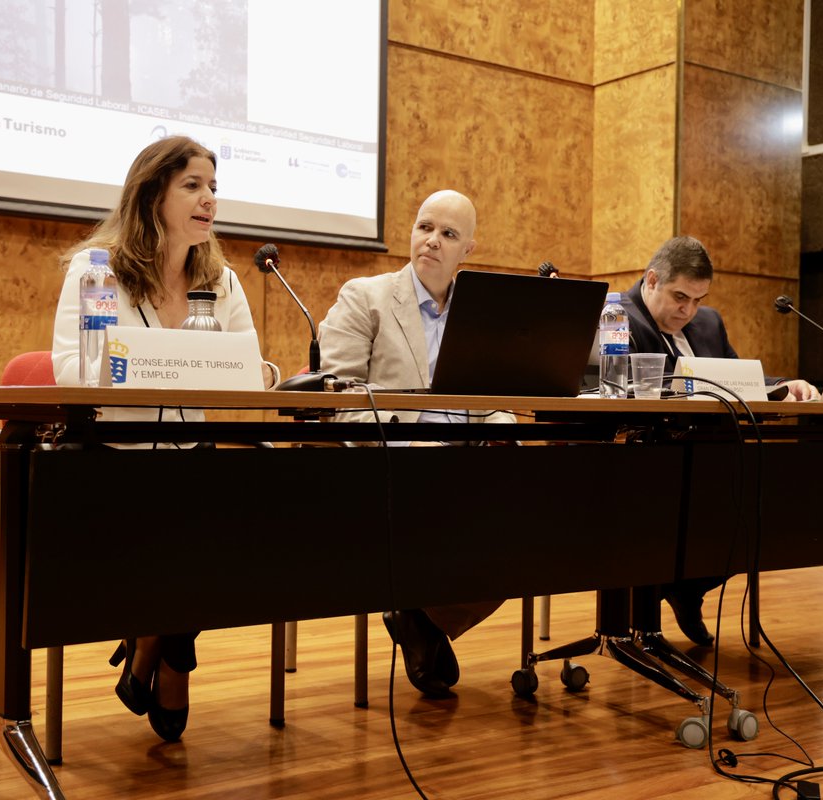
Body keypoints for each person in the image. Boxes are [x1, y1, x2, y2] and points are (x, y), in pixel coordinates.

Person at [50, 135, 276, 741]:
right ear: (153, 193)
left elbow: (247, 374)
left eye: (213, 188)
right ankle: (174, 661)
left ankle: (153, 645)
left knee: (226, 528)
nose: (209, 200)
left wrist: (236, 374)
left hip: (190, 460)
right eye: (193, 186)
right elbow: (73, 371)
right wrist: (148, 363)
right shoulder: (97, 270)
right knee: (187, 532)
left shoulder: (221, 280)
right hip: (113, 464)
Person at [318, 189, 512, 697]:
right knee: (482, 514)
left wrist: (504, 434)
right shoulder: (366, 297)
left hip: (467, 466)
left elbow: (496, 399)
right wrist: (409, 447)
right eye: (425, 227)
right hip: (392, 465)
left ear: (468, 249)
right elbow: (340, 401)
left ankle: (421, 614)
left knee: (529, 523)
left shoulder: (484, 310)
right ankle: (423, 615)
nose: (431, 241)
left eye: (448, 234)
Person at [622, 235, 819, 645]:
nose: (689, 310)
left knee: (760, 506)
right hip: (644, 464)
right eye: (680, 297)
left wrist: (783, 385)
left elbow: (735, 377)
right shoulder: (617, 317)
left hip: (708, 460)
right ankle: (650, 609)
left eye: (698, 299)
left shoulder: (707, 322)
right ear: (652, 279)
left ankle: (687, 590)